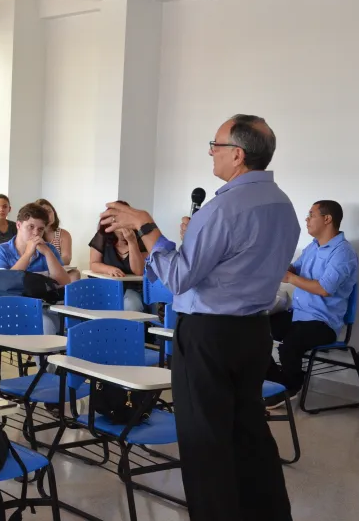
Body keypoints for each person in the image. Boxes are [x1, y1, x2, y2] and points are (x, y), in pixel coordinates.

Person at [99, 114, 298, 521]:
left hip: (211, 335)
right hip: (254, 332)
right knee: (249, 431)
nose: (211, 151)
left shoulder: (224, 207)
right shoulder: (282, 203)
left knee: (205, 439)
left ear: (238, 155)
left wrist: (145, 226)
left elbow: (177, 277)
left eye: (216, 144)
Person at [265, 200, 358, 407]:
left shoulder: (343, 253)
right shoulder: (313, 247)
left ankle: (291, 388)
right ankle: (276, 383)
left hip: (323, 322)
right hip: (299, 315)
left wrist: (289, 278)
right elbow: (295, 270)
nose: (306, 219)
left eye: (311, 215)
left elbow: (324, 288)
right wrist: (276, 264)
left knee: (291, 344)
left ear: (327, 219)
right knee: (254, 329)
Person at [0, 203, 70, 286]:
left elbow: (65, 283)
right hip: (12, 298)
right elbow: (4, 284)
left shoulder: (49, 249)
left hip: (44, 298)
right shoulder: (0, 251)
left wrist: (48, 254)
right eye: (31, 227)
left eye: (40, 229)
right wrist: (27, 255)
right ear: (18, 225)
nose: (36, 233)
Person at [88, 199, 147, 311]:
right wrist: (109, 269)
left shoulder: (141, 238)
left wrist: (132, 242)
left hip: (133, 288)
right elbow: (94, 264)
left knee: (131, 305)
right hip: (106, 286)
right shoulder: (102, 236)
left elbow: (139, 271)